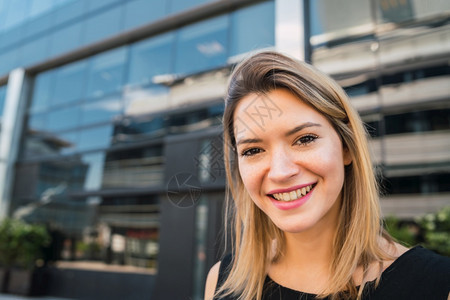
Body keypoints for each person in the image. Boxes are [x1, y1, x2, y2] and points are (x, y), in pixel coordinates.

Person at [204, 51, 450, 300]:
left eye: (305, 139)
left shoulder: (437, 286)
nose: (280, 172)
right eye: (253, 150)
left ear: (346, 147)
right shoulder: (221, 280)